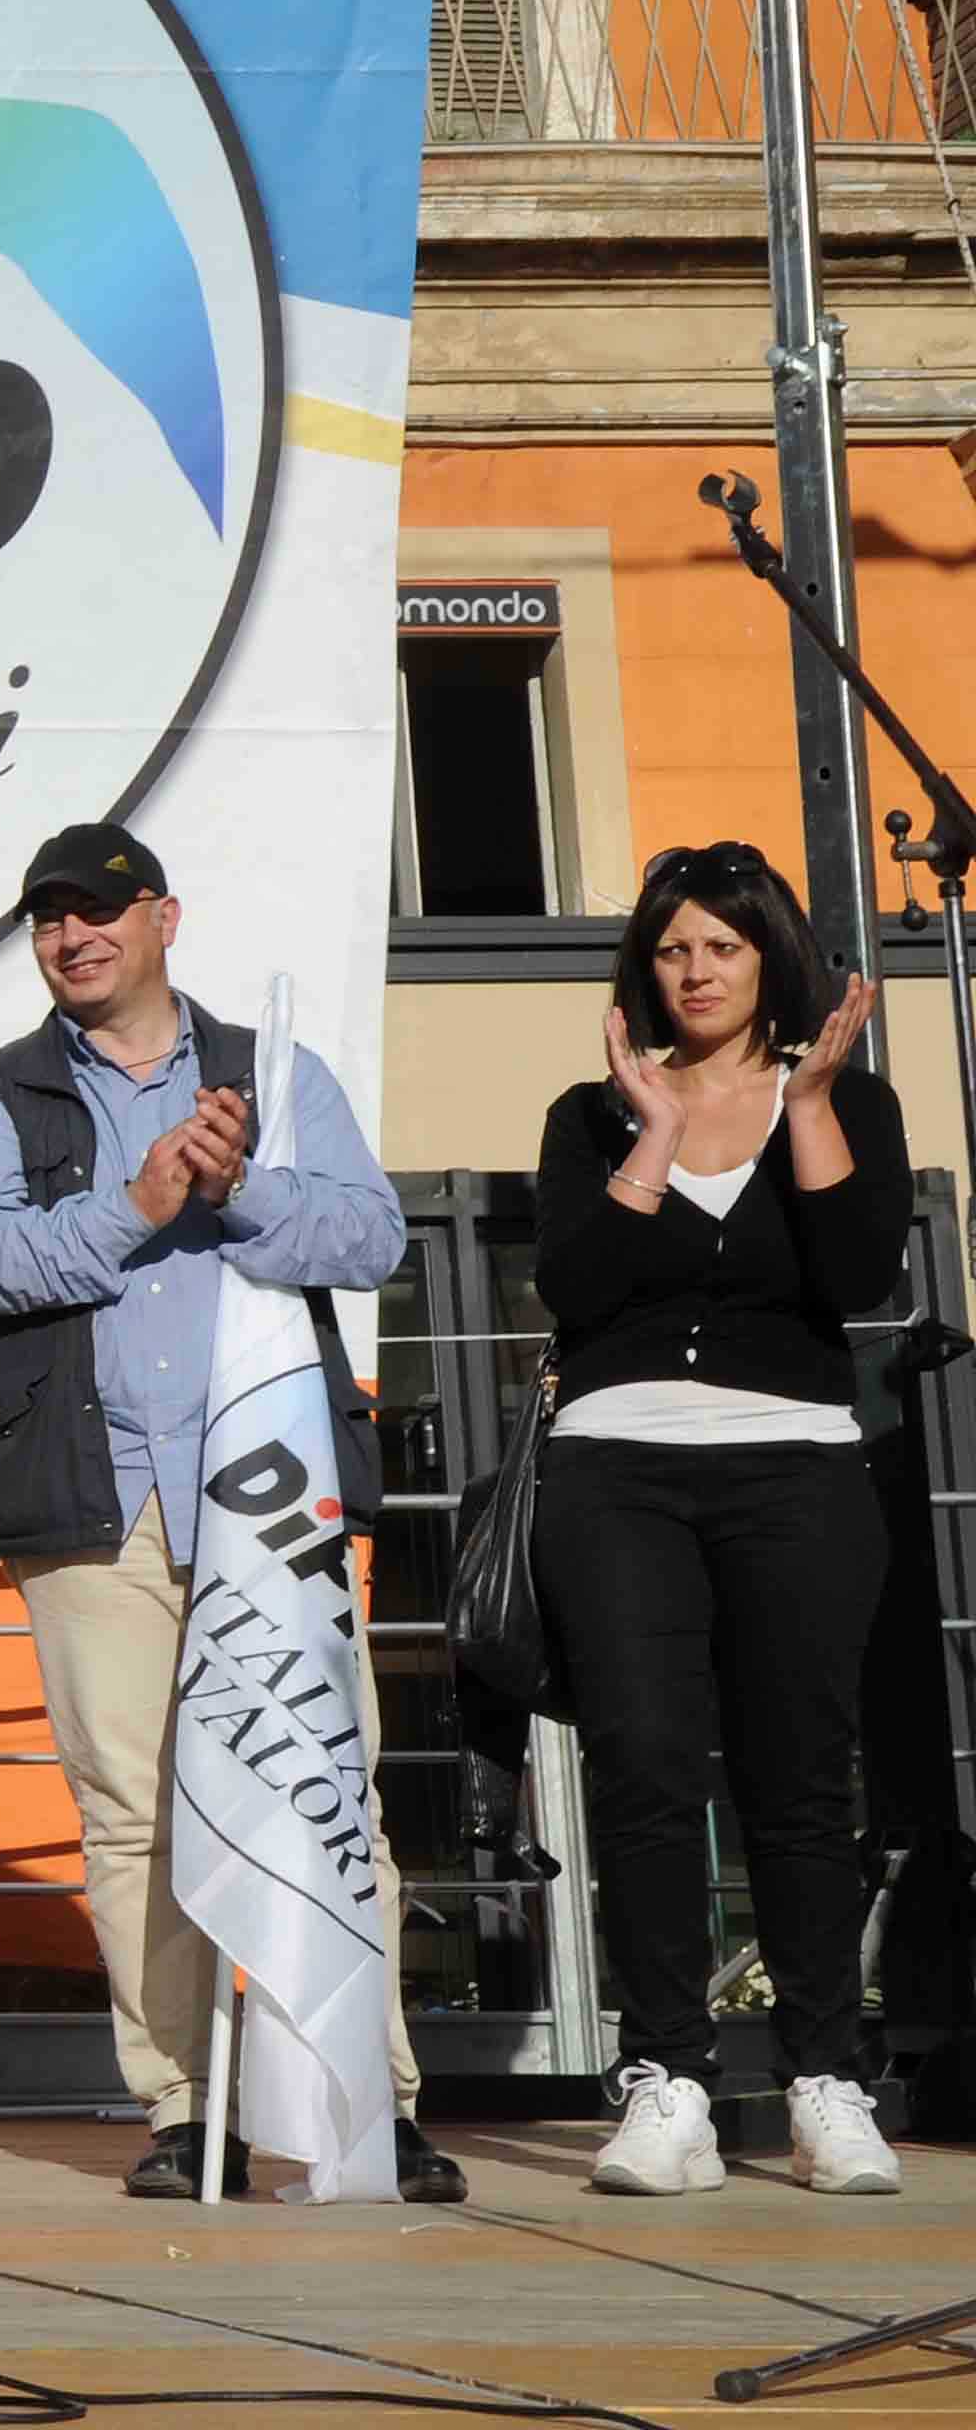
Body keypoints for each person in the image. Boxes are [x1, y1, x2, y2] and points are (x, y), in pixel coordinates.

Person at [0, 821, 464, 2206]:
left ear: (163, 918)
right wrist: (138, 1203)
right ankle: (183, 2109)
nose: (72, 937)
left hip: (265, 1501)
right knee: (131, 1816)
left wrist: (240, 1187)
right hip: (91, 1505)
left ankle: (366, 2100)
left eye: (97, 911)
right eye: (48, 919)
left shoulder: (273, 1074)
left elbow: (368, 1238)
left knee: (322, 1789)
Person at [532, 842, 908, 2199]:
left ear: (767, 960)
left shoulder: (847, 1100)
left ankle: (822, 2083)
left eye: (721, 948)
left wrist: (803, 1104)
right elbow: (574, 1288)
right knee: (640, 1768)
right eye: (672, 949)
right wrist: (654, 1134)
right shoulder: (591, 1114)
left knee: (797, 1780)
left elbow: (856, 1275)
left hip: (795, 1472)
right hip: (615, 1474)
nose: (694, 971)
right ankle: (668, 2082)